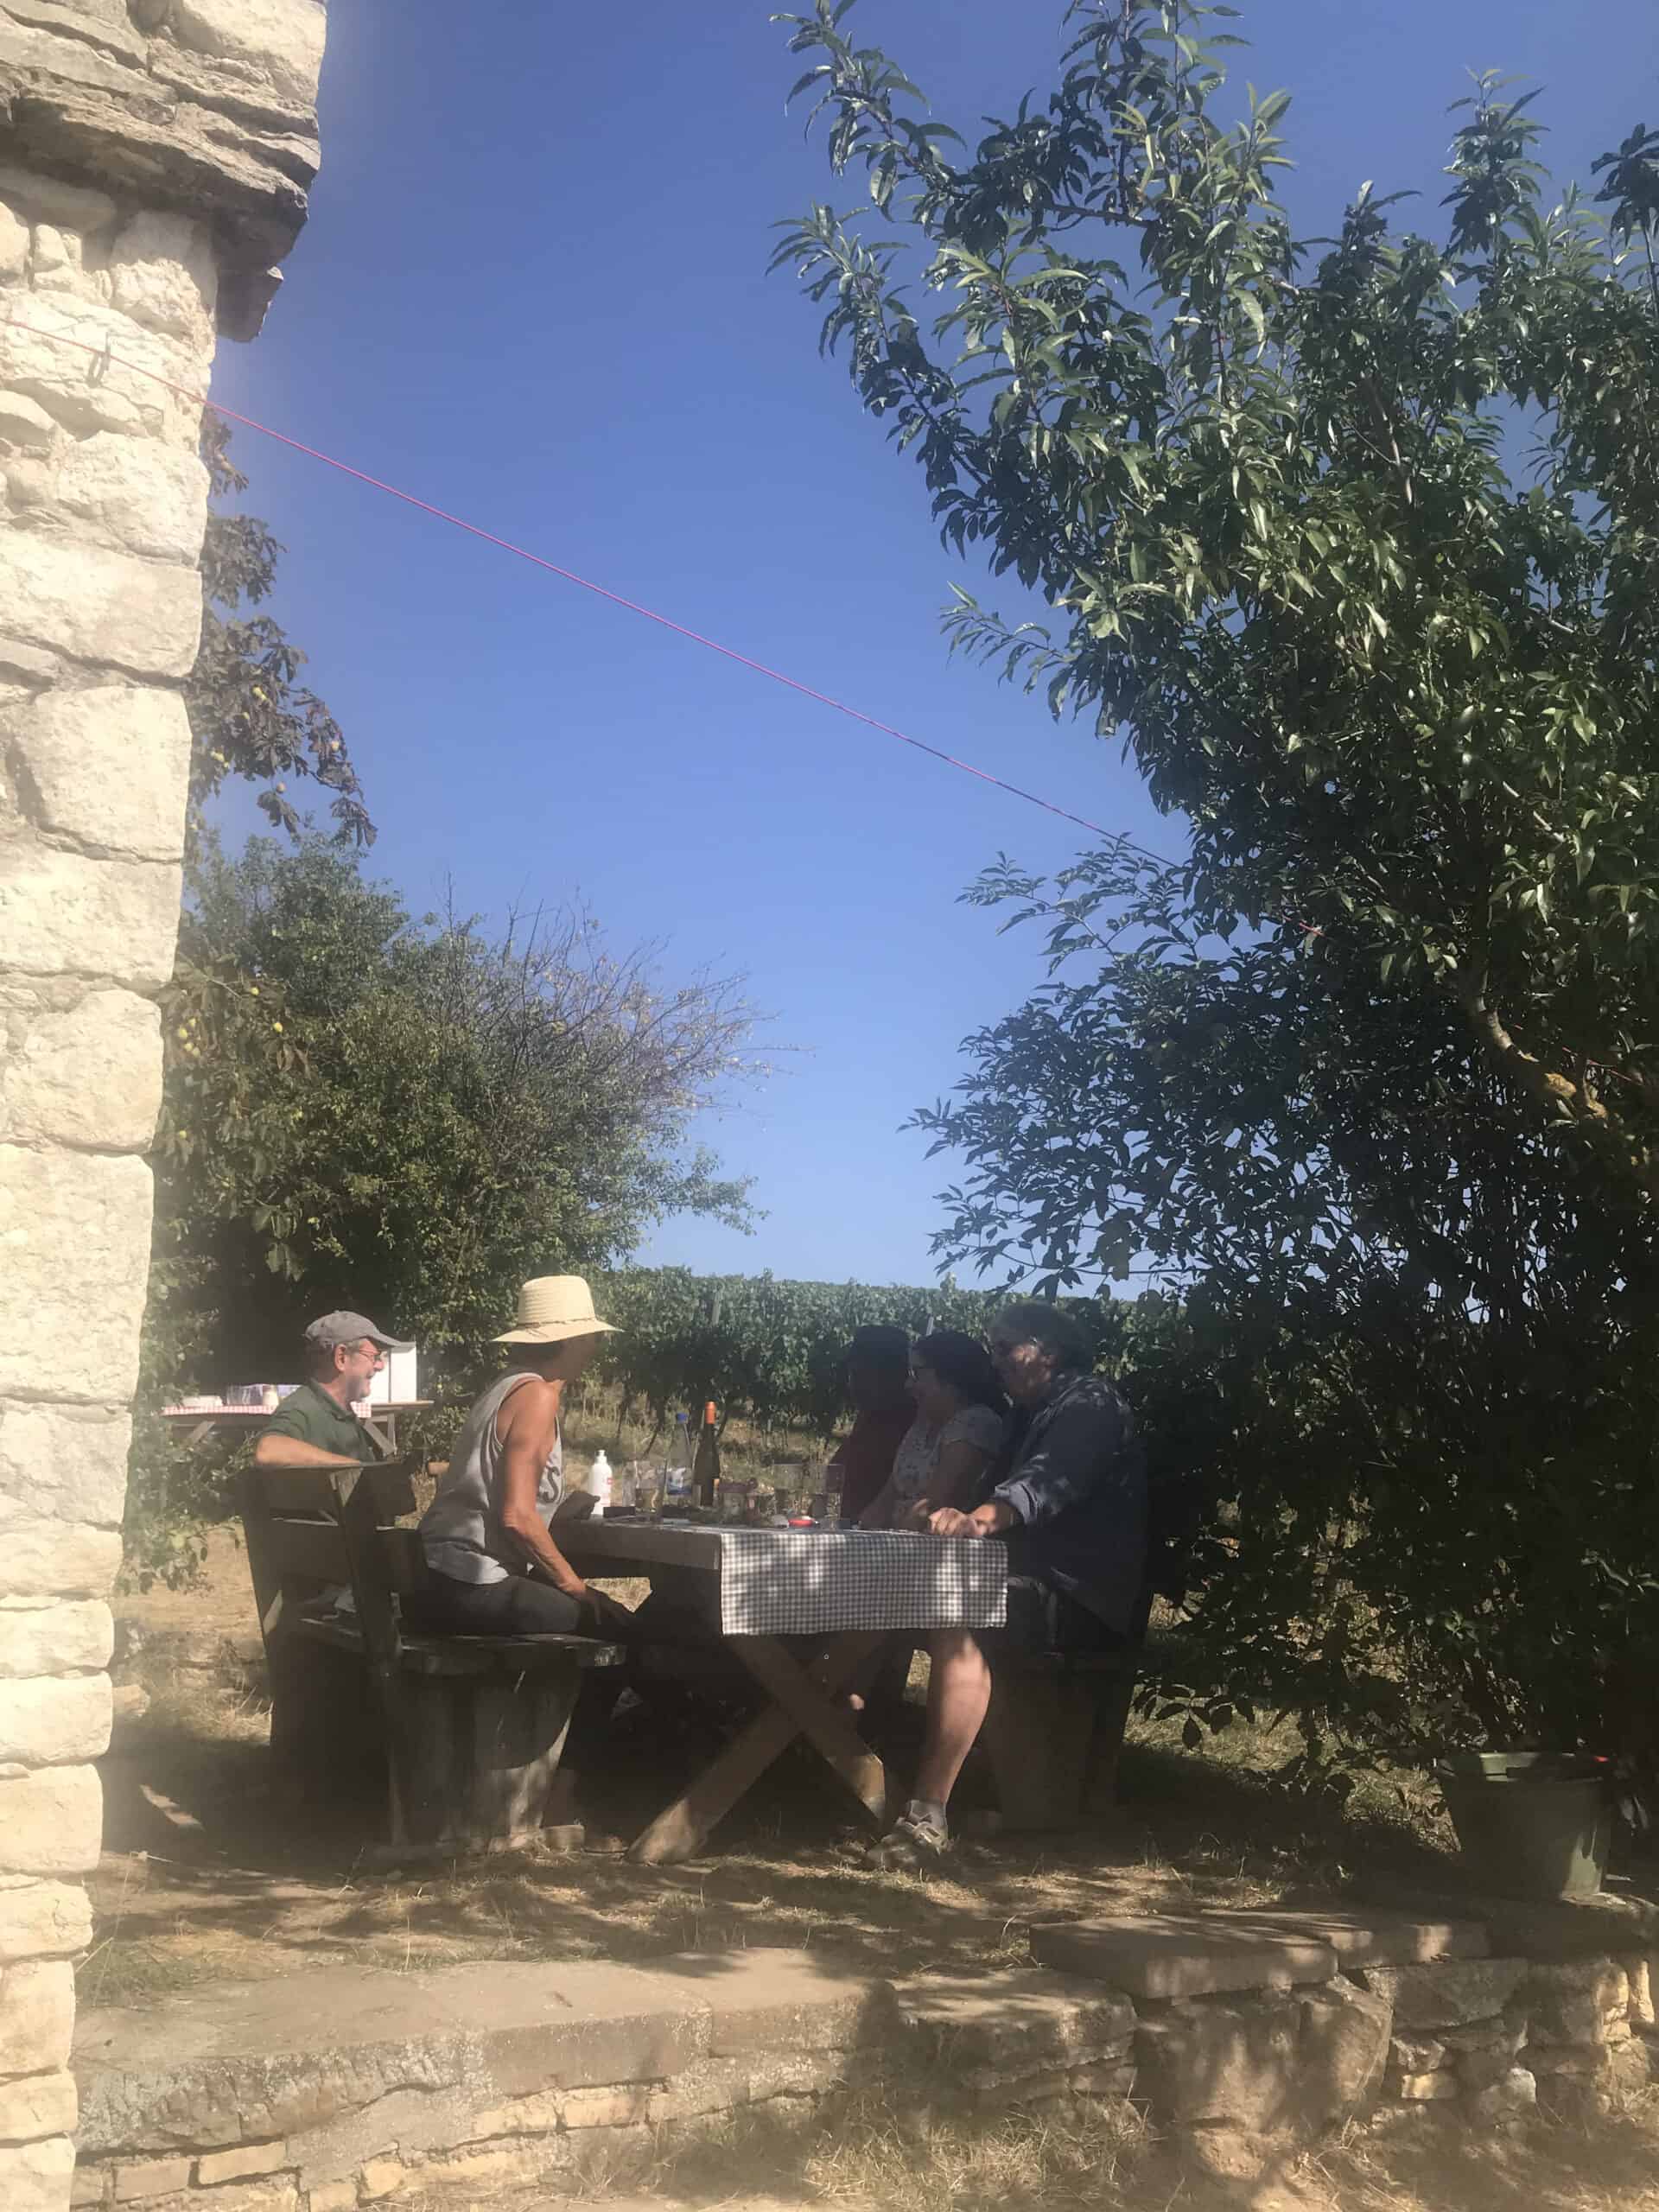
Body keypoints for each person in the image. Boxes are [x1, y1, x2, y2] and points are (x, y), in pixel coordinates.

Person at [866, 1299, 1147, 1870]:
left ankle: (926, 1817)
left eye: (1004, 1348)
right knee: (880, 1596)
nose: (994, 1361)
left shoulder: (1089, 1406)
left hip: (1076, 1597)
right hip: (1026, 1580)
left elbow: (1038, 1489)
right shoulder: (1029, 1412)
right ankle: (837, 1749)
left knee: (957, 1614)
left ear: (1050, 1352)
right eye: (991, 1349)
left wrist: (976, 1521)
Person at [407, 1275, 632, 1641]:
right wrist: (577, 1587)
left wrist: (557, 1511)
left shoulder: (504, 1386)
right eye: (595, 1337)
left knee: (593, 1612)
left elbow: (497, 1495)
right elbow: (516, 1518)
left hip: (432, 1573)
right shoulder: (539, 1396)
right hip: (466, 1581)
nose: (596, 1347)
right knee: (612, 1623)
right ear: (572, 1341)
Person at [860, 1331, 1007, 1529]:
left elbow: (932, 1507)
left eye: (917, 1374)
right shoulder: (922, 1426)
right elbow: (885, 1501)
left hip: (935, 1545)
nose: (908, 1384)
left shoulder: (976, 1423)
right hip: (899, 1539)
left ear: (950, 1378)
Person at [254, 1311, 411, 1469]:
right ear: (341, 1357)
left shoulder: (343, 1413)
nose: (380, 1366)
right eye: (374, 1357)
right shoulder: (301, 1408)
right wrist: (353, 1467)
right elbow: (268, 1450)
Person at [829, 1325, 914, 1524]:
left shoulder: (911, 1426)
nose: (853, 1385)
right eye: (853, 1375)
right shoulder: (871, 1414)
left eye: (861, 1376)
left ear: (893, 1376)